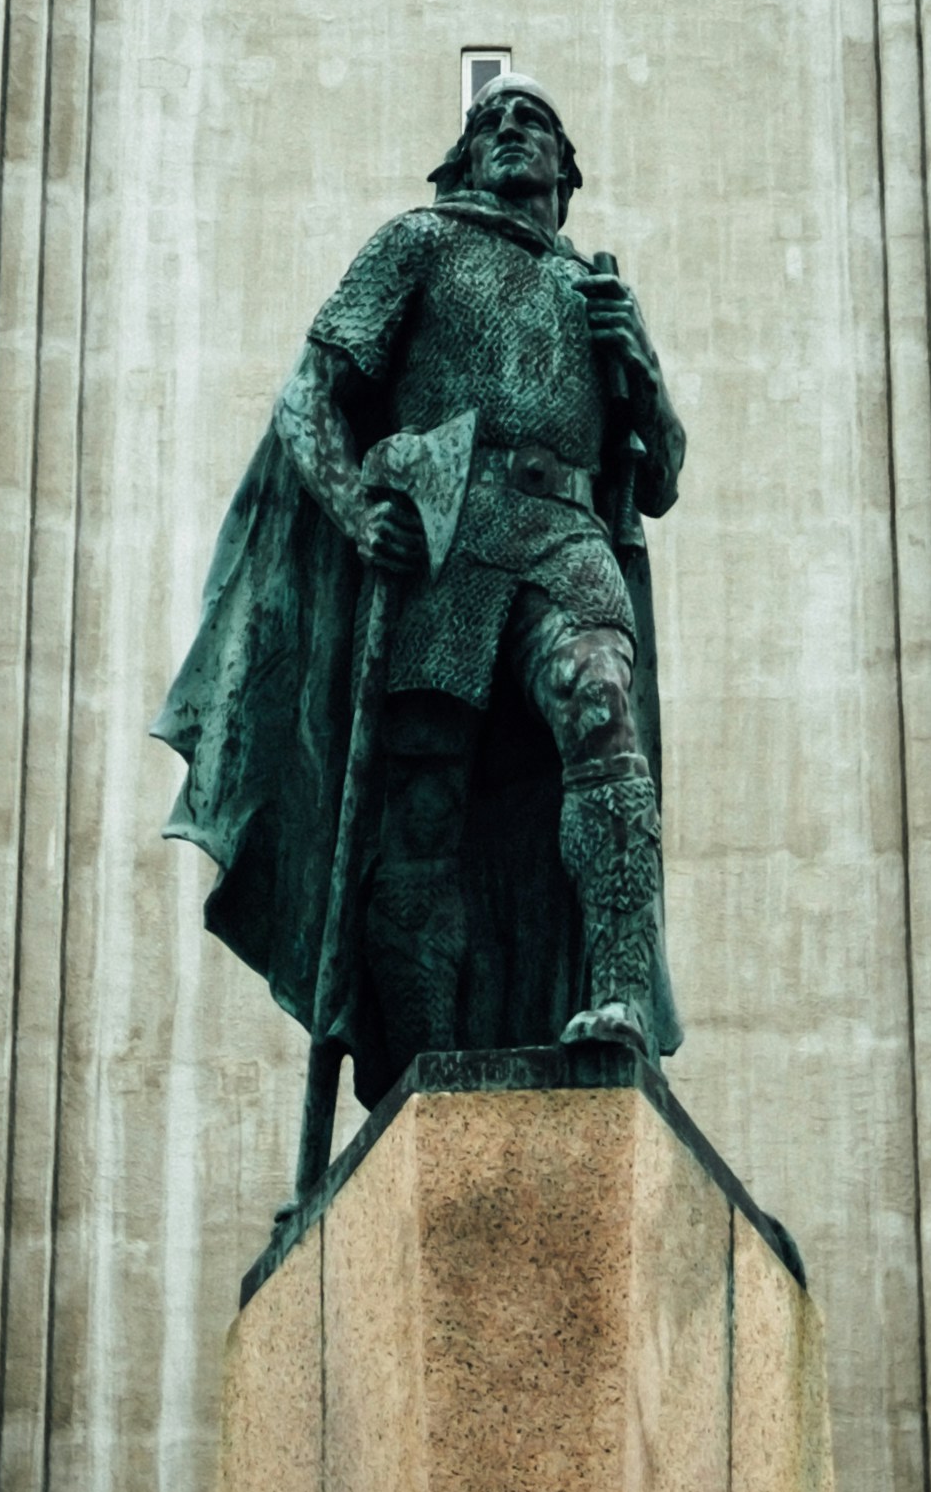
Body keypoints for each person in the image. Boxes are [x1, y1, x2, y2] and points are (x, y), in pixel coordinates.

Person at [154, 77, 687, 1153]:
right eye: (490, 122)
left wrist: (640, 371)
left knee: (598, 704)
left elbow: (664, 475)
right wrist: (357, 512)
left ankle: (620, 994)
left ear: (566, 173)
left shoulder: (596, 292)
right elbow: (310, 395)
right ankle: (431, 1059)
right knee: (426, 809)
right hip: (451, 541)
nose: (508, 129)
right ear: (462, 160)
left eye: (532, 121)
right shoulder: (419, 243)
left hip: (566, 535)